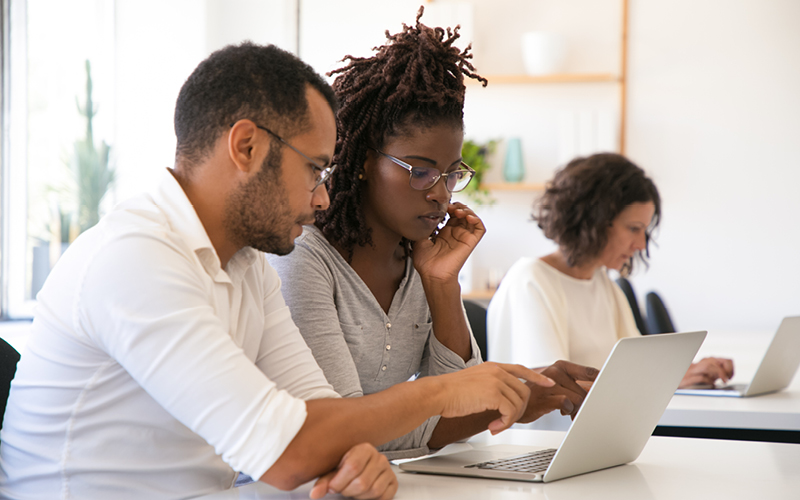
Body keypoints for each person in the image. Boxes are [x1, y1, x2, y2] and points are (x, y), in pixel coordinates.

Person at [0, 42, 556, 500]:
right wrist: (445, 392)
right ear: (246, 146)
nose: (322, 199)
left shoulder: (247, 264)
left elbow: (323, 417)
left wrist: (356, 461)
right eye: (315, 169)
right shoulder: (135, 258)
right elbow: (289, 451)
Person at [268, 8, 597, 460]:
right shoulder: (303, 258)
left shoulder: (419, 260)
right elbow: (341, 429)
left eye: (451, 174)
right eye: (420, 172)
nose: (440, 195)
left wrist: (442, 285)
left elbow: (464, 400)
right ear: (365, 161)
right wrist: (513, 401)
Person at [487, 153, 733, 389]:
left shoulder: (602, 283)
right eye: (634, 229)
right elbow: (552, 389)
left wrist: (692, 371)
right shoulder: (531, 280)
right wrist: (668, 380)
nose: (641, 245)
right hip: (551, 432)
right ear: (594, 221)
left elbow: (640, 368)